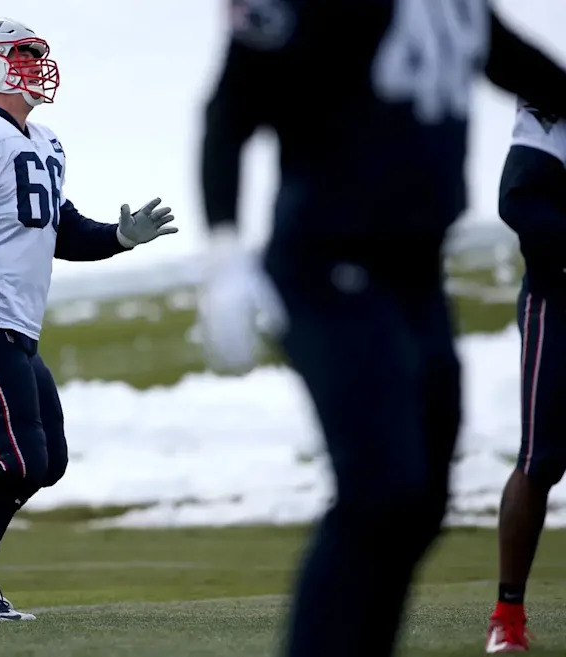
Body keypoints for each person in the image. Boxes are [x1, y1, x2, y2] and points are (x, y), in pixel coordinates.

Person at [195, 1, 566, 655]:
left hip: (415, 274)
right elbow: (231, 109)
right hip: (327, 262)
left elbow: (528, 69)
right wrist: (223, 247)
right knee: (380, 484)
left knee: (421, 498)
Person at [0, 17, 177, 621]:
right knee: (18, 458)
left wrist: (120, 237)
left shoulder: (44, 140)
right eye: (22, 55)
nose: (35, 65)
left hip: (14, 329)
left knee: (46, 460)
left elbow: (62, 230)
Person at [485, 98, 566, 652]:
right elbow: (517, 199)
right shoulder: (550, 94)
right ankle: (506, 618)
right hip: (558, 297)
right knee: (541, 458)